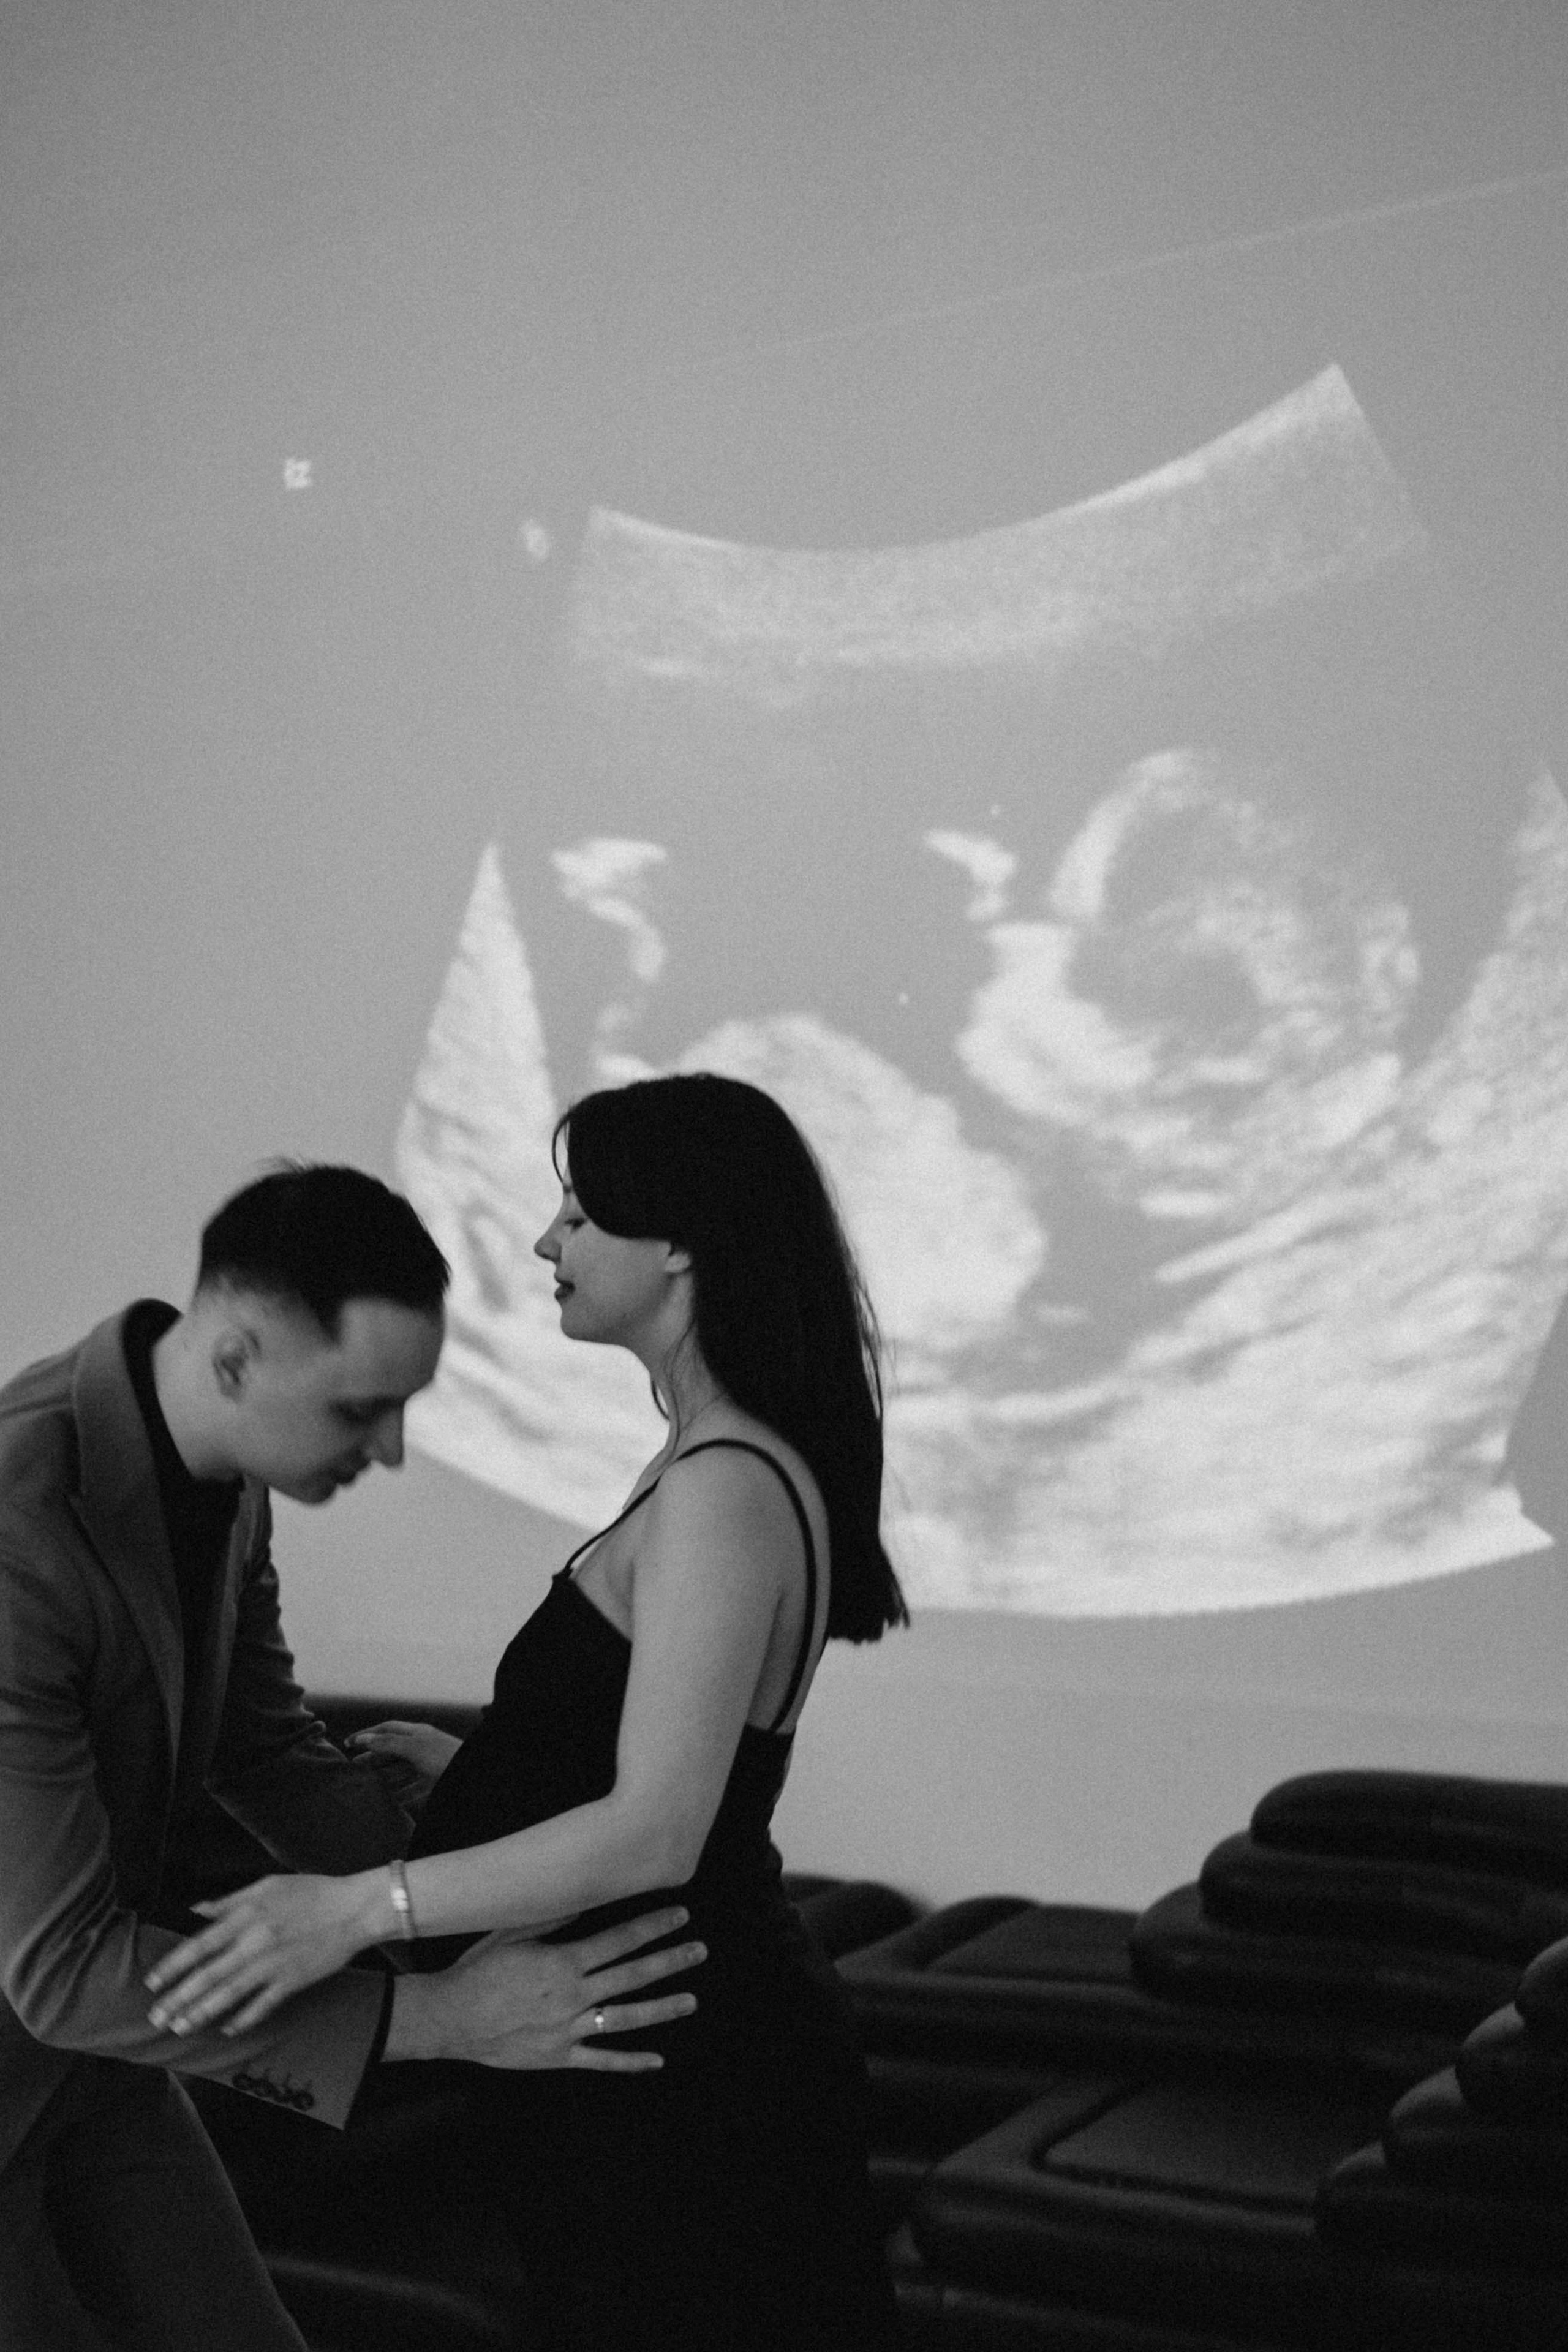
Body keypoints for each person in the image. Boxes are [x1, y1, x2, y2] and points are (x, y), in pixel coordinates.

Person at [145, 1076, 910, 2348]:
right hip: (640, 2045)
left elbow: (658, 1831)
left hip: (685, 2062)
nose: (549, 1241)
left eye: (580, 1213)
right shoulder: (708, 1463)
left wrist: (357, 1908)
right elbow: (658, 1754)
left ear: (679, 1245)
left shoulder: (724, 1487)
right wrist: (486, 1771)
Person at [0, 1163, 706, 2352]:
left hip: (102, 2059)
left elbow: (267, 1755)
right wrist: (442, 2013)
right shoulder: (18, 1537)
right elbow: (62, 1968)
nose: (391, 1450)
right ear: (235, 1360)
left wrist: (490, 1884)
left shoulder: (227, 1478)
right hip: (67, 2004)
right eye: (360, 1410)